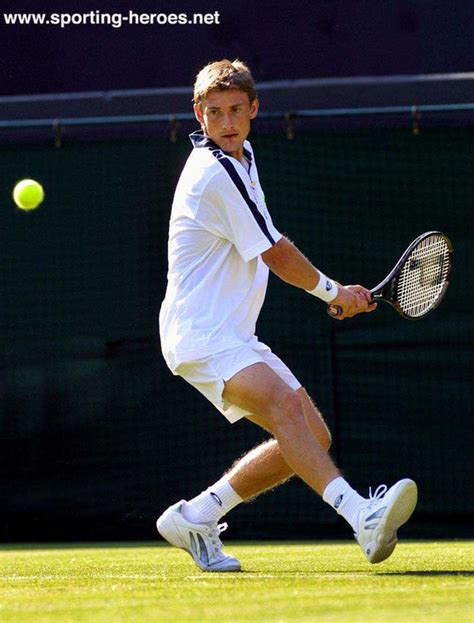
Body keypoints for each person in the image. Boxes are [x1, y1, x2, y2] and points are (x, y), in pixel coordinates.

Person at [157, 59, 417, 572]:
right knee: (282, 406)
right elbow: (274, 252)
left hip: (230, 333)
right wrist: (333, 292)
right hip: (200, 335)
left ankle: (197, 514)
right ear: (198, 114)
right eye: (215, 113)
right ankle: (361, 514)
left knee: (312, 437)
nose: (227, 123)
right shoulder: (215, 172)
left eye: (236, 110)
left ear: (254, 110)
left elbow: (265, 247)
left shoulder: (243, 156)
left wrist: (337, 293)